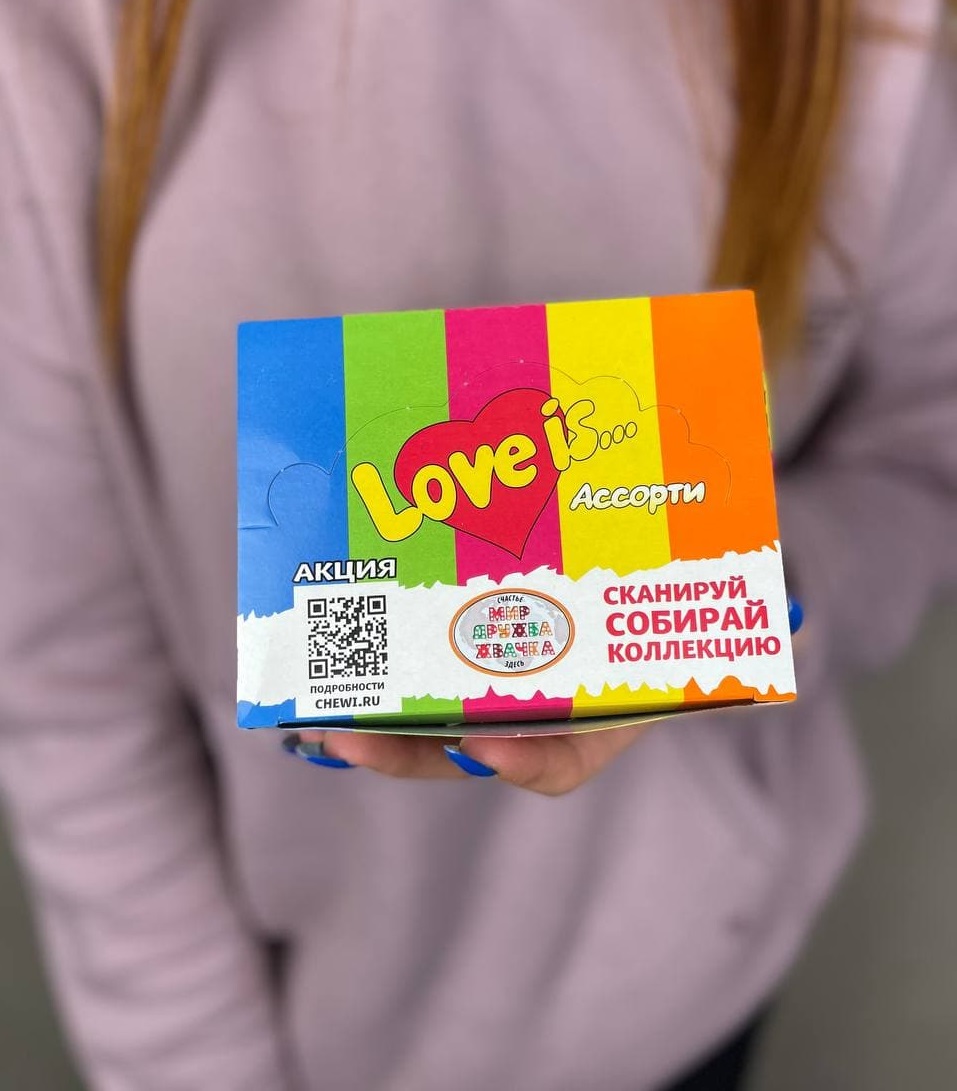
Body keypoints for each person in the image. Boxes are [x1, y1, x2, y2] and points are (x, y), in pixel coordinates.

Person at [1, 2, 955, 1089]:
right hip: (306, 1020)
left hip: (697, 967)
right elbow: (75, 687)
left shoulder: (856, 35)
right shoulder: (52, 58)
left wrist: (755, 600)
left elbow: (924, 444)